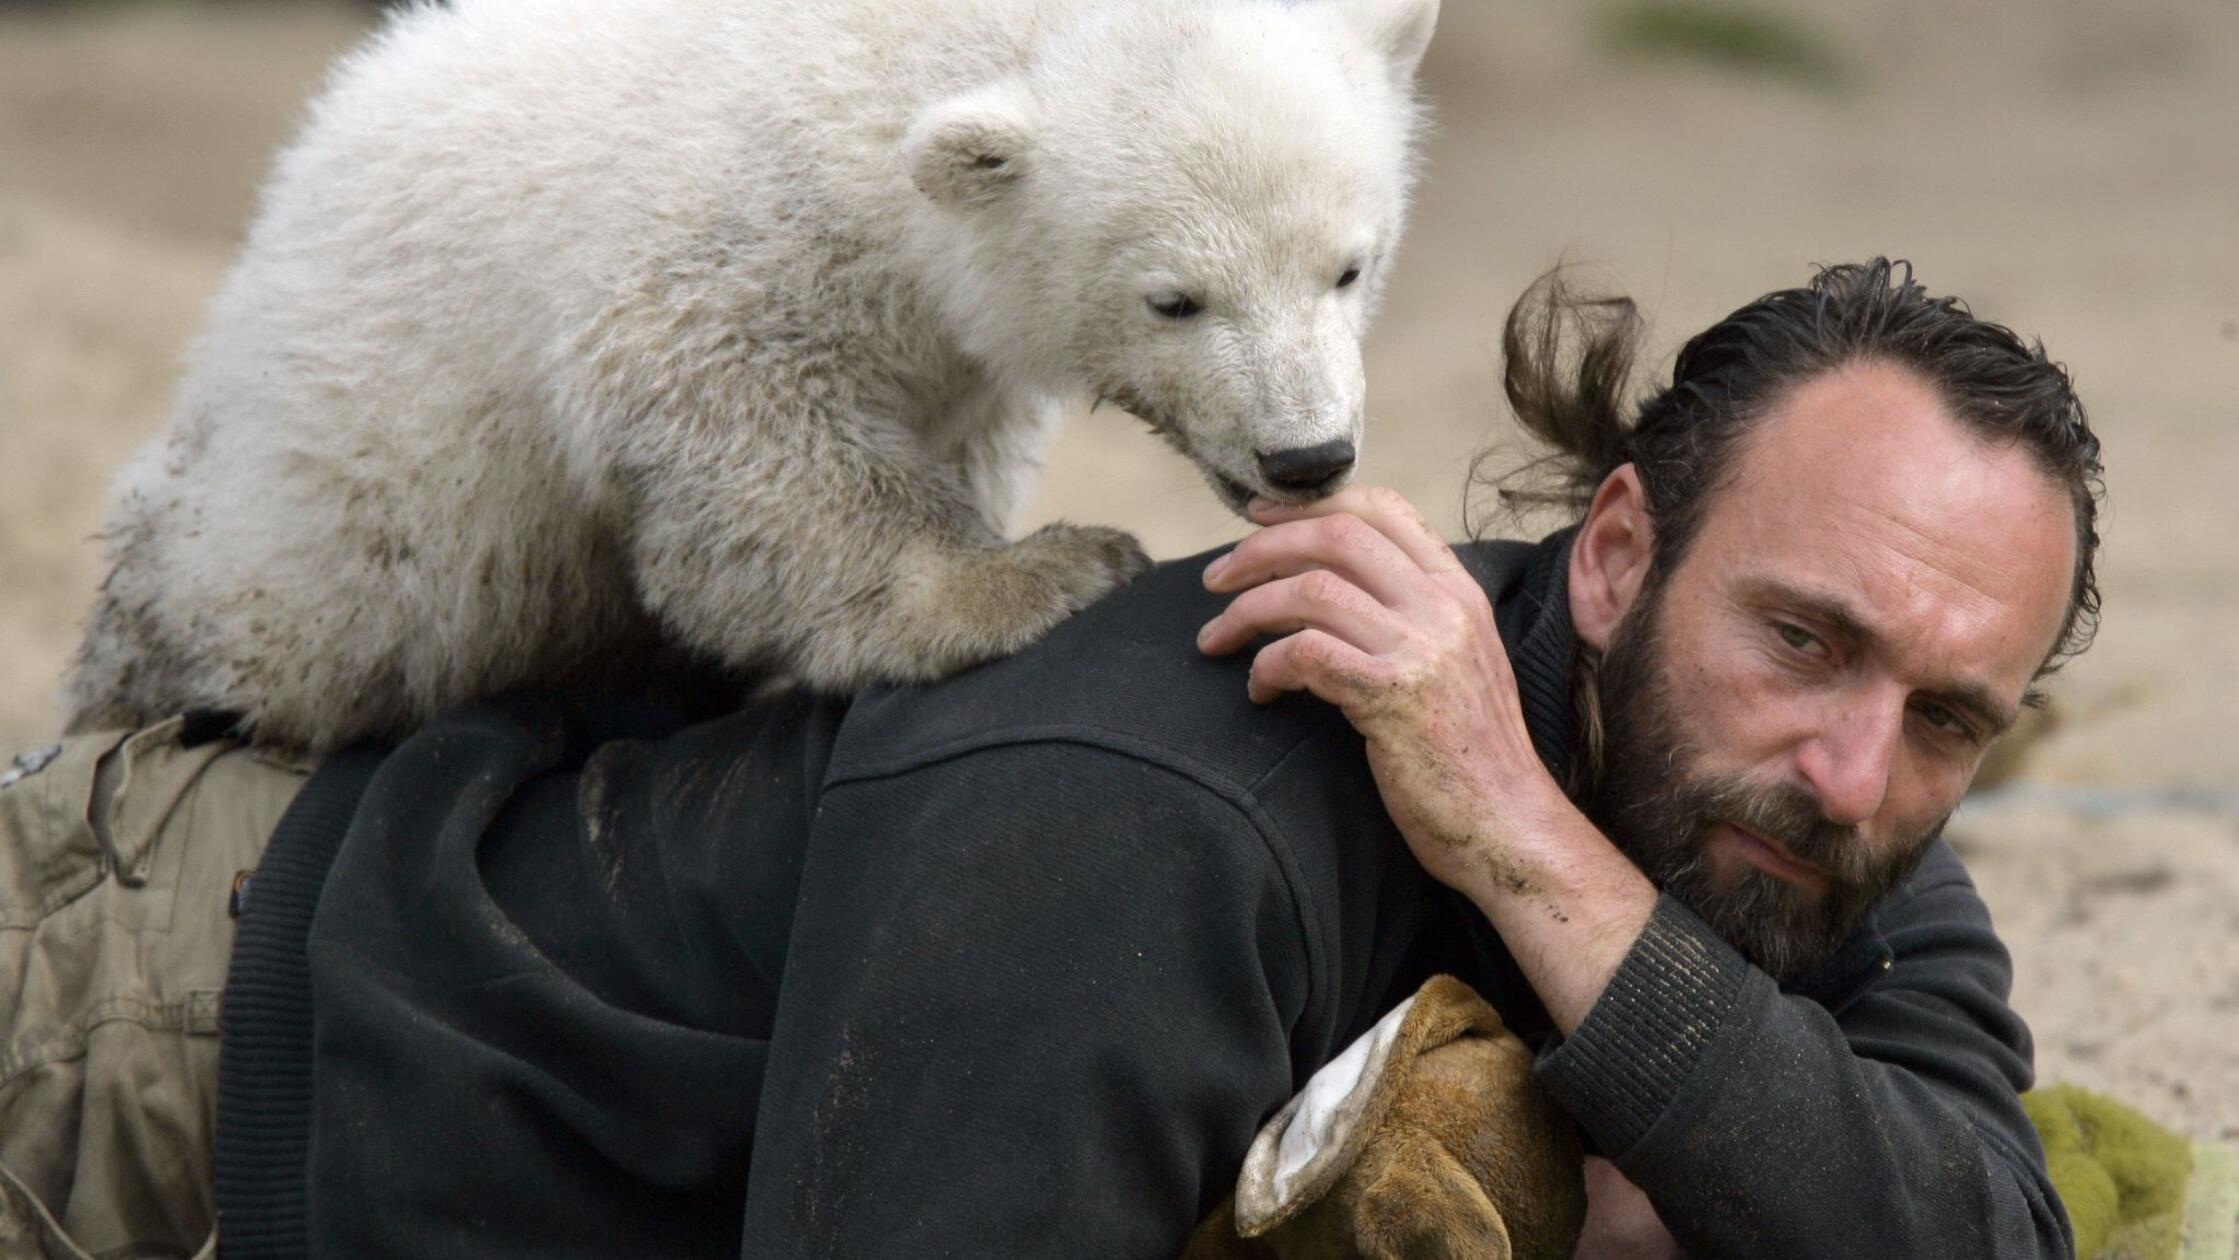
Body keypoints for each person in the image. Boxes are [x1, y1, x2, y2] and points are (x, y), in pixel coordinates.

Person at [0, 258, 2102, 1259]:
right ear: (1623, 554)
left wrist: (1534, 860)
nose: (1859, 767)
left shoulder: (1787, 823)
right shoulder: (1173, 801)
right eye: (1803, 637)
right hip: (167, 1041)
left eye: (1949, 714)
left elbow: (1974, 1236)